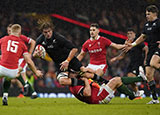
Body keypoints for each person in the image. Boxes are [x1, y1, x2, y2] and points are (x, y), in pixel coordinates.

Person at [33, 22, 108, 87]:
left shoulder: (58, 38)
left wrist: (67, 61)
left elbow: (74, 49)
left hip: (70, 60)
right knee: (62, 81)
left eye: (49, 31)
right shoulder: (40, 40)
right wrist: (36, 55)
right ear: (42, 32)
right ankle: (85, 83)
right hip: (60, 64)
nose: (48, 34)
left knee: (85, 73)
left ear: (52, 30)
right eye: (45, 32)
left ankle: (106, 82)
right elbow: (34, 55)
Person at [125, 5, 160, 104]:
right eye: (146, 14)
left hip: (158, 48)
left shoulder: (158, 23)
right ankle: (155, 99)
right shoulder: (146, 25)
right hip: (151, 49)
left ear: (154, 13)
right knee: (149, 75)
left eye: (148, 14)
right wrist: (132, 44)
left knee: (153, 63)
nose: (147, 16)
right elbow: (143, 36)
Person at [0, 24, 43, 105]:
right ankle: (25, 87)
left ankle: (24, 88)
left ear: (11, 31)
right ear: (19, 32)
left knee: (15, 73)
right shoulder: (22, 44)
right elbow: (29, 61)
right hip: (13, 70)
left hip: (2, 67)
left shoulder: (4, 39)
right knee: (13, 74)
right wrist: (36, 72)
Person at [69, 70, 147, 104]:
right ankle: (141, 78)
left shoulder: (78, 79)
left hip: (99, 94)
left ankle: (132, 96)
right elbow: (87, 93)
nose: (75, 73)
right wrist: (86, 80)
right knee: (116, 80)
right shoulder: (74, 86)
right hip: (98, 99)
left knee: (117, 82)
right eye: (72, 72)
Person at [110, 28, 148, 97]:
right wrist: (115, 58)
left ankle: (141, 80)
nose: (129, 35)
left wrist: (146, 59)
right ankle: (137, 91)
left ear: (134, 34)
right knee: (129, 77)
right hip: (131, 63)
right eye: (128, 34)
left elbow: (146, 48)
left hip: (138, 63)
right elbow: (123, 55)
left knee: (131, 77)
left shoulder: (137, 42)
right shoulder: (127, 43)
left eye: (131, 33)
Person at [7, 24, 38, 99]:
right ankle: (32, 92)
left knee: (20, 76)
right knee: (18, 77)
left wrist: (30, 53)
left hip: (21, 59)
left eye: (10, 31)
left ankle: (25, 92)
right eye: (8, 31)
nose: (9, 32)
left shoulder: (21, 37)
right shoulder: (8, 39)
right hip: (15, 59)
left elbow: (33, 42)